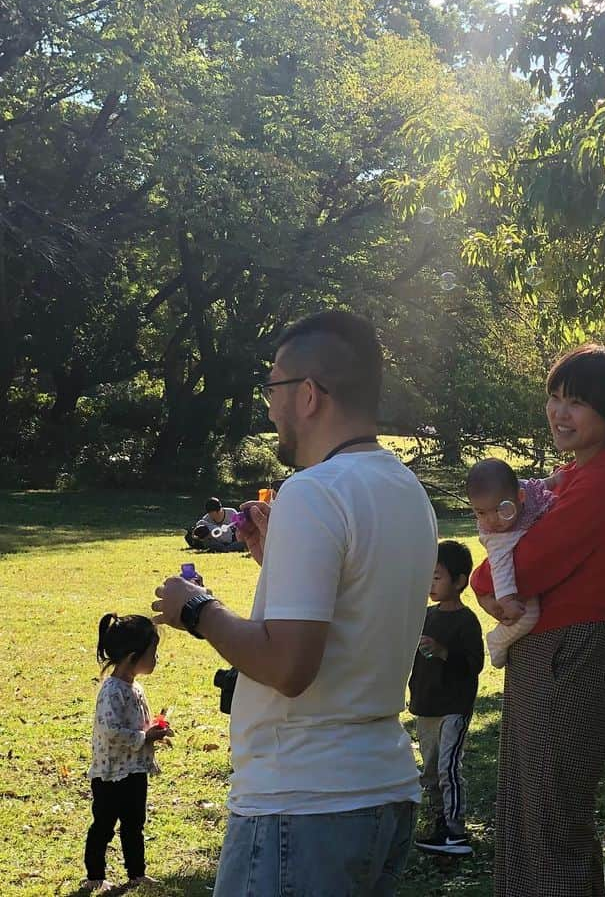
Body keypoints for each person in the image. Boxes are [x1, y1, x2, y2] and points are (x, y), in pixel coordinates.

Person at [151, 310, 438, 896]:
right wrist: (276, 561)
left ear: (309, 395)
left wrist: (197, 608)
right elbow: (358, 605)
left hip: (302, 804)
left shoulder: (314, 492)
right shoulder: (407, 491)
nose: (268, 405)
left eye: (274, 387)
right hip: (381, 790)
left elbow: (289, 666)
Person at [471, 343, 605, 896]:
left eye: (577, 402)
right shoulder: (571, 476)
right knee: (523, 808)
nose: (559, 413)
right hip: (543, 652)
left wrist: (480, 585)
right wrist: (490, 583)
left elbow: (524, 567)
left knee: (552, 819)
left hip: (573, 654)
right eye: (554, 397)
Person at [84, 613, 172, 891]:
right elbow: (111, 731)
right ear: (134, 656)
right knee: (104, 825)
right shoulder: (112, 691)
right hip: (111, 774)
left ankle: (136, 873)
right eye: (153, 653)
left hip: (134, 769)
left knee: (135, 824)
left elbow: (136, 726)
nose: (156, 659)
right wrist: (144, 736)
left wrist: (154, 731)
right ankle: (95, 876)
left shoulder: (135, 688)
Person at [408, 540, 485, 856]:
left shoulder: (466, 621)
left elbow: (474, 664)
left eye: (437, 577)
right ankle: (438, 822)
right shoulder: (424, 616)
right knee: (429, 771)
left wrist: (442, 652)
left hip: (453, 707)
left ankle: (455, 832)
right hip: (425, 706)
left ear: (459, 581)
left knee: (447, 769)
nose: (431, 584)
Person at [466, 458, 558, 668]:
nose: (491, 520)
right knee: (528, 615)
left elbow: (537, 485)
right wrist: (507, 599)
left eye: (499, 509)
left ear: (520, 497)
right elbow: (500, 567)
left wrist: (557, 479)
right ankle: (498, 640)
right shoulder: (497, 537)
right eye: (480, 512)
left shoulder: (525, 492)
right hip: (510, 584)